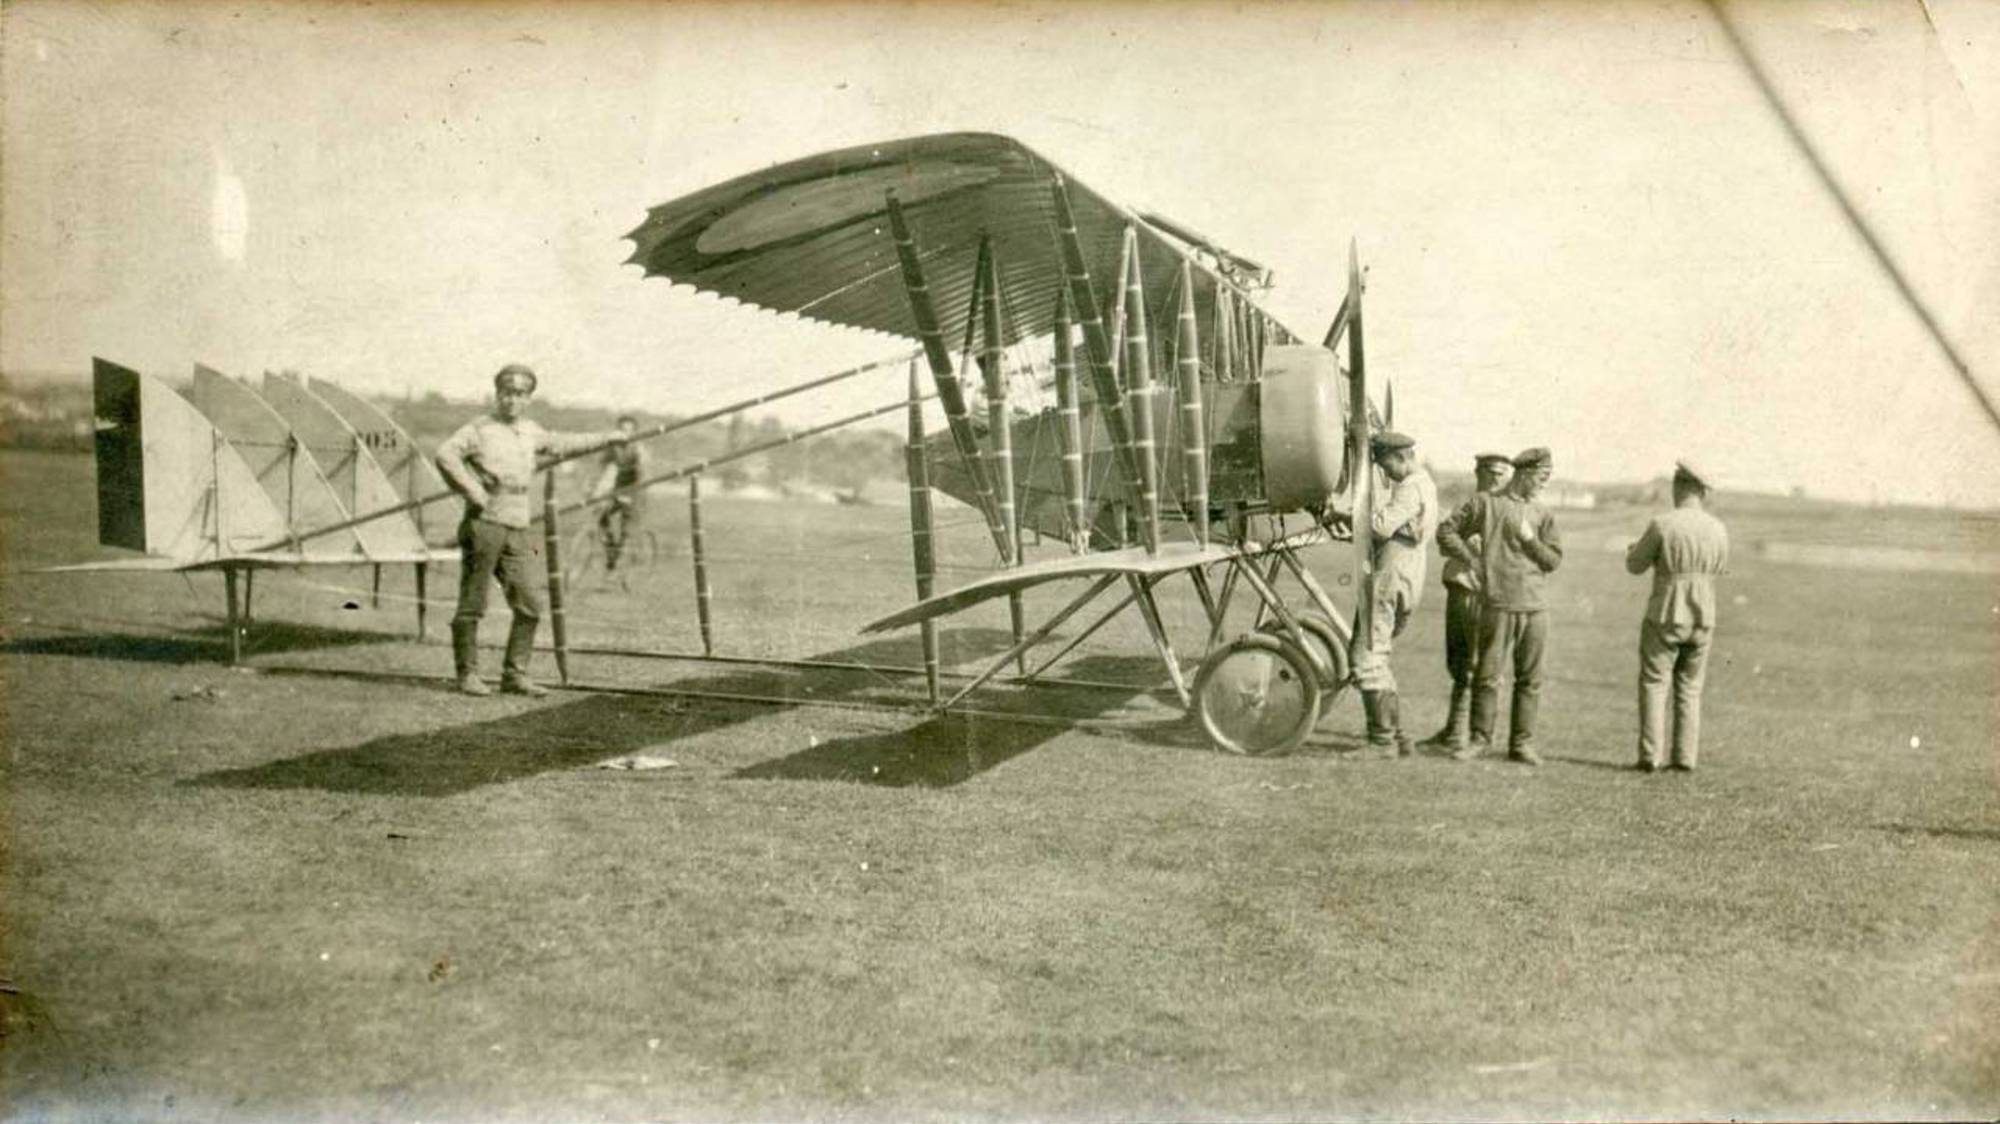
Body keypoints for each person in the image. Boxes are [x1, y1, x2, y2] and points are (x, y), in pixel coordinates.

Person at [435, 364, 622, 697]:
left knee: (530, 605)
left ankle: (515, 675)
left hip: (518, 524)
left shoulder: (530, 430)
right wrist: (473, 491)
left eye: (519, 394)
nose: (512, 400)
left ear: (528, 399)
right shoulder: (479, 428)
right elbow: (445, 455)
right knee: (473, 603)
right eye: (506, 393)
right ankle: (467, 674)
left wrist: (609, 437)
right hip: (484, 524)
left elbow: (564, 443)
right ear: (497, 394)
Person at [1436, 446, 1563, 765]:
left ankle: (1521, 744)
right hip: (1498, 604)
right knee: (1487, 675)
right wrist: (1471, 559)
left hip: (1535, 607)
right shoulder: (1485, 503)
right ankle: (1480, 740)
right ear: (1525, 474)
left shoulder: (1543, 513)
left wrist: (1530, 540)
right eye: (1542, 477)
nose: (1545, 483)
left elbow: (1552, 561)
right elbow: (1446, 532)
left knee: (1530, 680)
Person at [1625, 461, 1730, 772]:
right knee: (1690, 687)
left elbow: (1635, 565)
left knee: (1654, 682)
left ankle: (1650, 755)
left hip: (1666, 611)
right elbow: (1720, 567)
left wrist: (1634, 550)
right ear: (1702, 492)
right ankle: (1685, 757)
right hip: (1704, 614)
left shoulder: (1663, 524)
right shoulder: (1718, 528)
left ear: (1678, 487)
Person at [1350, 431, 1440, 757]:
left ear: (1402, 457)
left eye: (1386, 465)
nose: (1385, 472)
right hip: (1408, 570)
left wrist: (1349, 515)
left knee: (1366, 654)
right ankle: (1397, 735)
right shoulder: (1425, 484)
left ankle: (1382, 741)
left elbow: (1380, 527)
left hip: (1393, 571)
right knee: (1377, 652)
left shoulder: (1411, 487)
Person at [1422, 452, 1513, 751]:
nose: (1495, 478)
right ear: (1478, 473)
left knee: (1481, 665)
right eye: (1489, 472)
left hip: (1492, 595)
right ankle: (1455, 729)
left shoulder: (1510, 508)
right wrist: (1469, 553)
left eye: (1500, 473)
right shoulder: (1470, 504)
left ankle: (1474, 734)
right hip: (1463, 587)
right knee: (1460, 662)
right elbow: (1444, 538)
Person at [590, 415, 650, 575]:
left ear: (635, 432)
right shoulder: (614, 448)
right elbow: (602, 466)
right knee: (602, 515)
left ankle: (628, 557)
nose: (625, 434)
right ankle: (612, 550)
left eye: (629, 431)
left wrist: (631, 494)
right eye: (622, 430)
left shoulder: (638, 449)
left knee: (627, 527)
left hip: (636, 490)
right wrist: (594, 486)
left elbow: (642, 473)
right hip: (619, 488)